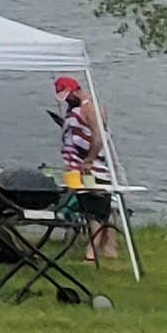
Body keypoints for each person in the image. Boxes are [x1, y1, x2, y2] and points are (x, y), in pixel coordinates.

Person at [52, 76, 120, 264]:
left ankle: (92, 254)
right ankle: (108, 247)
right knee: (99, 208)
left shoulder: (88, 108)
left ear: (75, 91)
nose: (66, 100)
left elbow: (98, 137)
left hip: (92, 167)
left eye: (67, 96)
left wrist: (89, 160)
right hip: (81, 166)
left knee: (94, 211)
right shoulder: (81, 108)